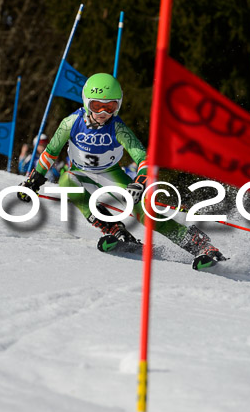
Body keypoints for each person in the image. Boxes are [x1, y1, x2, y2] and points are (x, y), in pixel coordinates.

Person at [16, 73, 226, 269]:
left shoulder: (118, 127)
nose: (103, 113)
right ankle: (114, 229)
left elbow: (143, 158)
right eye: (97, 106)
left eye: (110, 107)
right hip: (81, 174)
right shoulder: (71, 123)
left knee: (147, 214)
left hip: (111, 174)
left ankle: (200, 245)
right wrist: (33, 180)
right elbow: (51, 152)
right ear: (86, 102)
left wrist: (140, 182)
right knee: (66, 181)